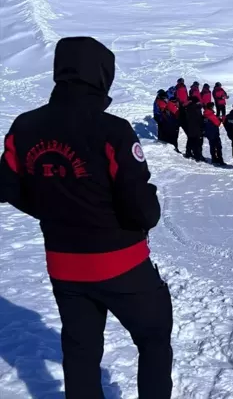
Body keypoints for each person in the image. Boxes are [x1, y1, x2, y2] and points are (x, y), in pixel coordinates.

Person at [0, 37, 172, 399]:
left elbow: (8, 186)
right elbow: (141, 209)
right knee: (154, 338)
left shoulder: (24, 126)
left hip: (63, 264)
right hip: (120, 262)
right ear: (101, 75)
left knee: (81, 351)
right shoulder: (111, 130)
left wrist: (53, 208)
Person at [184, 96, 204, 161]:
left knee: (190, 140)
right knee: (197, 142)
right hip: (197, 127)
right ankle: (198, 156)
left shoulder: (188, 108)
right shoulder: (197, 108)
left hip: (190, 127)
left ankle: (188, 152)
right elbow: (199, 119)